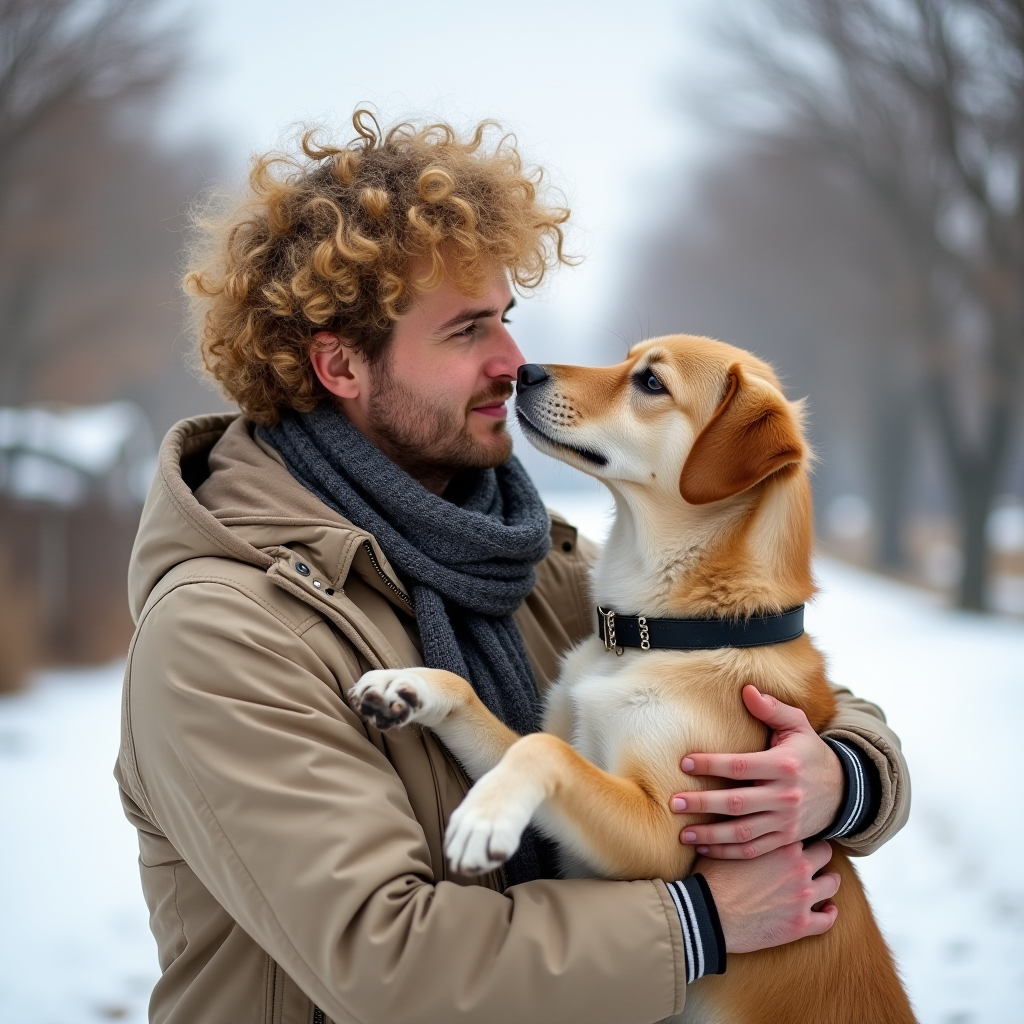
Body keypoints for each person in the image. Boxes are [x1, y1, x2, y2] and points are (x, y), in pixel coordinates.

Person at [115, 111, 910, 1024]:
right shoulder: (224, 634)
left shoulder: (535, 564)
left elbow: (754, 682)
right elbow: (388, 962)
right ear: (339, 363)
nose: (513, 362)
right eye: (465, 332)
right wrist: (699, 923)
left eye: (506, 319)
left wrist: (840, 779)